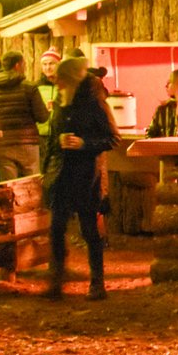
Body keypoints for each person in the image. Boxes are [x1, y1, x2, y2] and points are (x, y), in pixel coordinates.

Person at [44, 56, 117, 300]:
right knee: (56, 228)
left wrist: (84, 144)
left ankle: (97, 282)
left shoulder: (94, 104)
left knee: (89, 230)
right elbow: (53, 139)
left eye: (62, 79)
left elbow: (111, 138)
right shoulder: (61, 104)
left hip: (86, 176)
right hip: (61, 175)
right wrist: (58, 144)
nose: (58, 83)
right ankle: (56, 279)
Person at [0, 51, 49, 179]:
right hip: (27, 143)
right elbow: (42, 117)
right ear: (18, 65)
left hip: (2, 145)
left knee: (10, 187)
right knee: (31, 187)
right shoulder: (29, 87)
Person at [35, 49, 62, 143]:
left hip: (60, 134)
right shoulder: (36, 87)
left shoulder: (65, 85)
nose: (48, 67)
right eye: (44, 64)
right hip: (41, 135)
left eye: (51, 63)